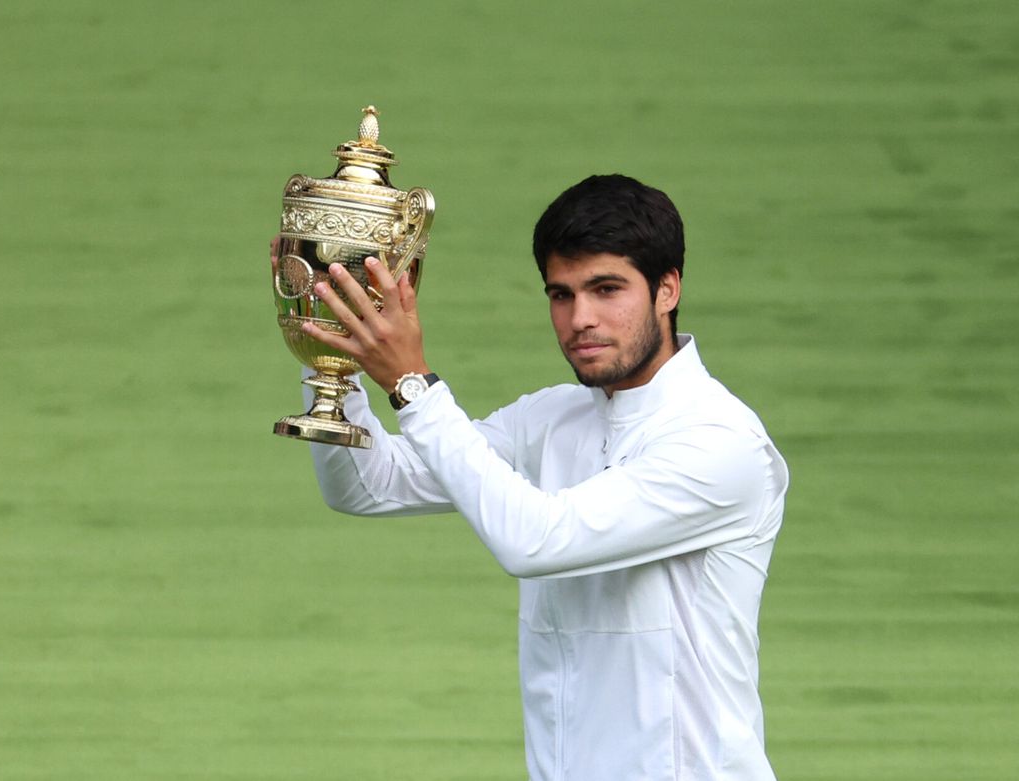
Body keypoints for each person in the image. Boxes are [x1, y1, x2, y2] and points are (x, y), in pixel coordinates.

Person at [300, 174, 789, 780]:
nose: (581, 318)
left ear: (668, 290)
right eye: (561, 295)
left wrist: (412, 385)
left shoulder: (720, 443)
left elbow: (537, 540)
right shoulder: (553, 417)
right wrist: (333, 359)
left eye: (606, 289)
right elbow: (367, 487)